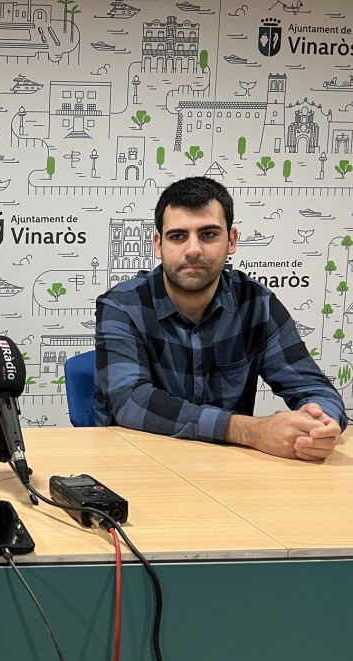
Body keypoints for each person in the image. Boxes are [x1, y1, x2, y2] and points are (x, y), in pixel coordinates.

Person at [94, 176, 347, 461]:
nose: (193, 249)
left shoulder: (257, 303)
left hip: (226, 467)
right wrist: (249, 431)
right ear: (158, 244)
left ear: (232, 240)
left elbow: (315, 390)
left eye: (208, 234)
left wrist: (320, 426)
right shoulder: (122, 305)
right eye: (178, 236)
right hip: (137, 463)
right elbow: (130, 401)